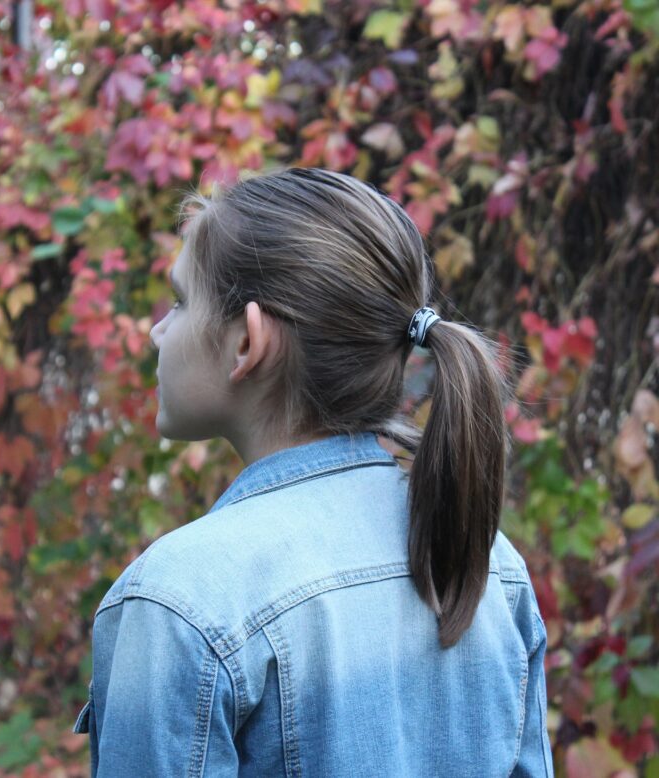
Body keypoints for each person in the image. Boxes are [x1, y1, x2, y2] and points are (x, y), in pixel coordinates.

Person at [72, 167, 553, 777]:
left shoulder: (181, 600)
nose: (156, 331)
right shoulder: (484, 563)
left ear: (247, 344)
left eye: (179, 300)